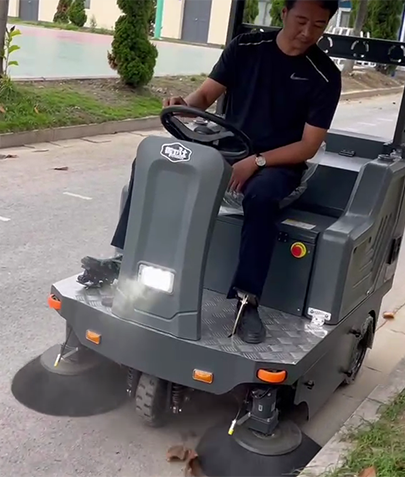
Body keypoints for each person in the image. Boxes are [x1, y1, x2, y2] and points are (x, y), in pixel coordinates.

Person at [78, 0, 342, 345]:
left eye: (318, 26)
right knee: (153, 161)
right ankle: (124, 259)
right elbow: (205, 95)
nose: (307, 33)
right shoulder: (247, 47)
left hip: (278, 162)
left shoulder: (325, 76)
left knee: (261, 197)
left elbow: (308, 145)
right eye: (301, 21)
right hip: (228, 147)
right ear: (284, 14)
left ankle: (247, 299)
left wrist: (258, 162)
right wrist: (184, 106)